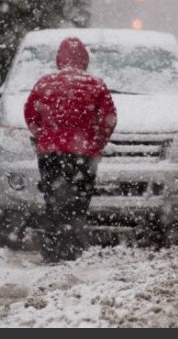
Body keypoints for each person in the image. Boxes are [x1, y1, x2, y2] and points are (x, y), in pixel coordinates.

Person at [24, 37, 117, 263]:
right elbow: (109, 119)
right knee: (78, 201)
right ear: (85, 59)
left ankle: (52, 248)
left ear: (59, 59)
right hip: (83, 154)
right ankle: (73, 247)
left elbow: (30, 114)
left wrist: (42, 137)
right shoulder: (96, 85)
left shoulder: (44, 84)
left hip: (50, 153)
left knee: (53, 199)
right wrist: (97, 141)